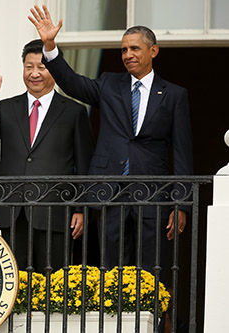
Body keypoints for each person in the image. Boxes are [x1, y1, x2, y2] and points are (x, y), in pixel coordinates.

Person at [29, 5, 193, 280]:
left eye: (134, 49)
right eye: (124, 50)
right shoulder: (109, 84)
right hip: (110, 191)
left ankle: (148, 321)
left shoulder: (174, 95)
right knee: (111, 267)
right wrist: (50, 47)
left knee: (152, 267)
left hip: (151, 191)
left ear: (153, 51)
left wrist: (181, 204)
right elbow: (71, 83)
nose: (128, 55)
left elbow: (182, 151)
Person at [0, 39, 94, 274]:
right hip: (12, 212)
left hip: (55, 210)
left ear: (55, 70)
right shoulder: (6, 108)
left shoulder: (73, 111)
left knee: (54, 284)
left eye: (42, 67)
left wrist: (81, 208)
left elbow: (84, 163)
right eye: (29, 67)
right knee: (13, 284)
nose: (35, 73)